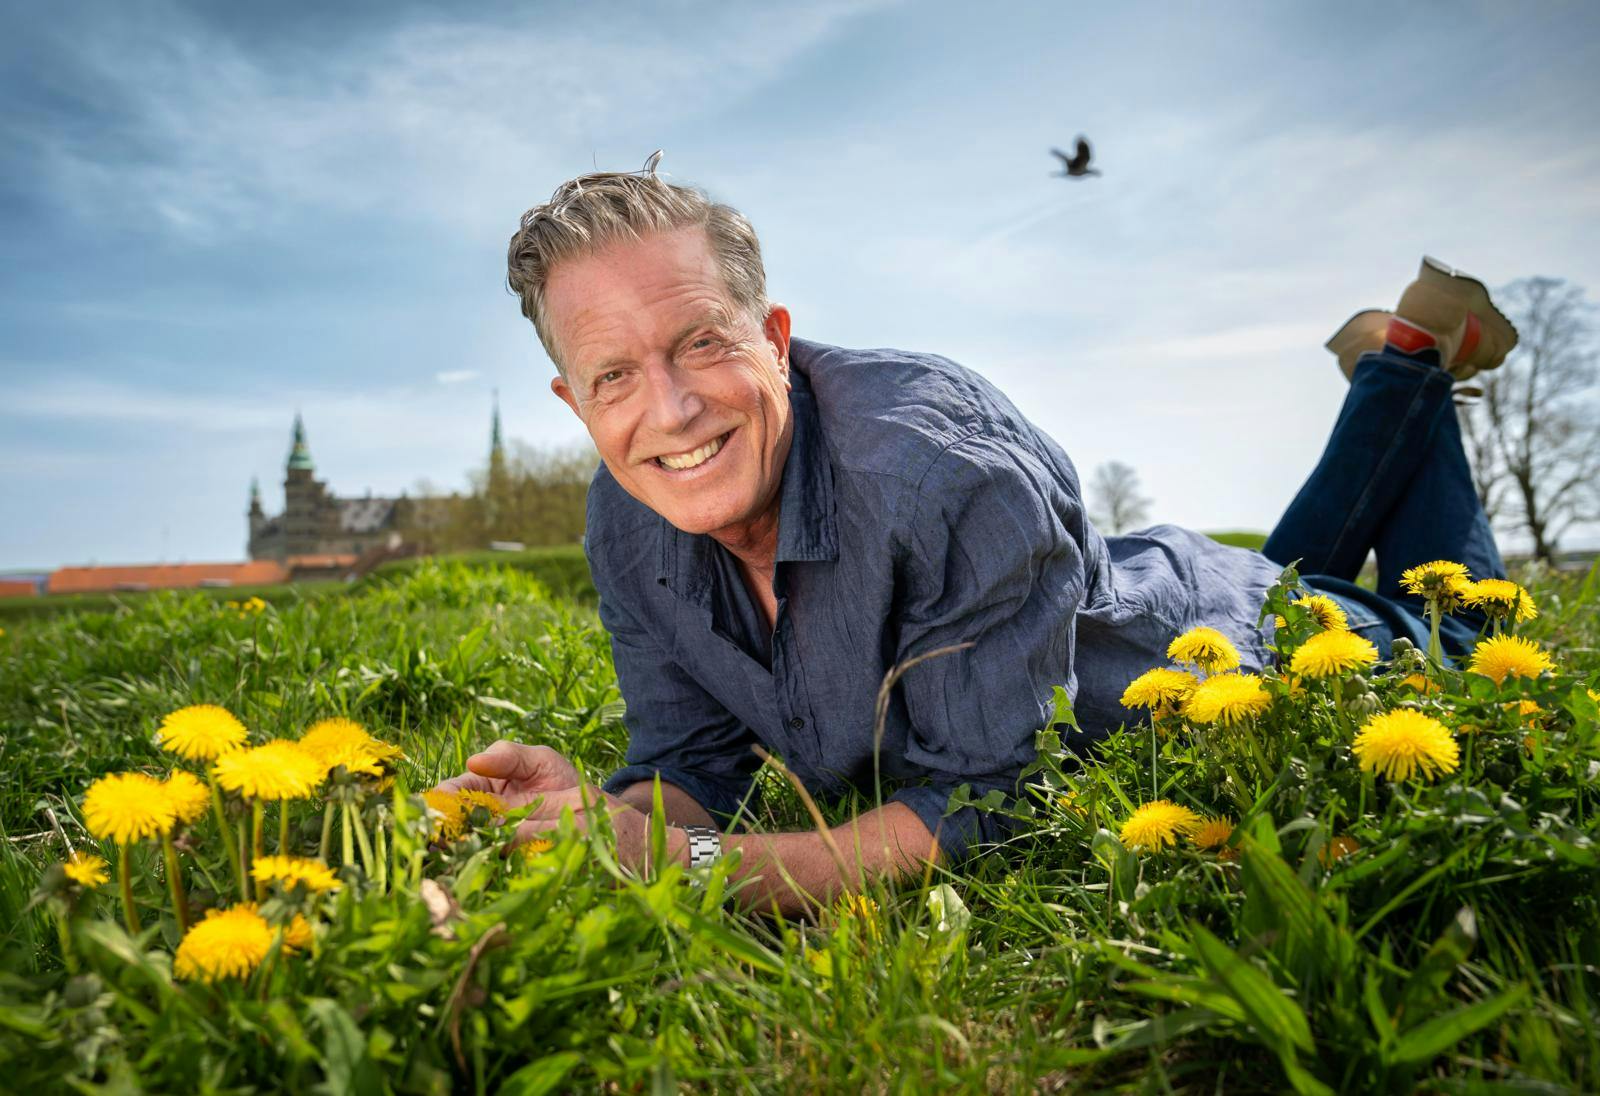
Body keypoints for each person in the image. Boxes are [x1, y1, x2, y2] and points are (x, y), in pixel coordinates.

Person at [435, 161, 1516, 917]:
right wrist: (589, 824)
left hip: (1213, 657)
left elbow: (984, 809)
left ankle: (1409, 366)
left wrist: (695, 864)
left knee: (1457, 638)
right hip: (1135, 580)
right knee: (1302, 573)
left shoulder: (942, 470)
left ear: (773, 340)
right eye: (614, 375)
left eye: (699, 342)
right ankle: (1403, 370)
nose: (665, 412)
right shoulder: (627, 519)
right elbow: (691, 768)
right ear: (574, 402)